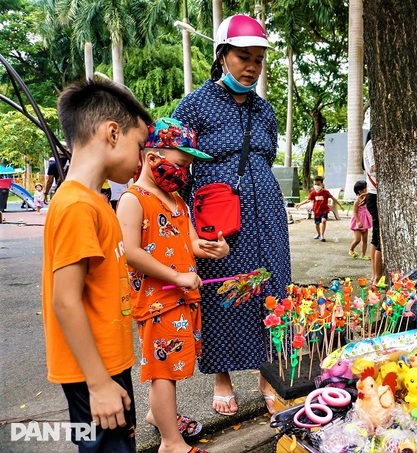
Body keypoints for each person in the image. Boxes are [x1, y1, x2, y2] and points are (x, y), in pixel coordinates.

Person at [172, 14, 291, 416]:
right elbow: (172, 169)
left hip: (268, 218)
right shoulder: (193, 107)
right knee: (223, 291)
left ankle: (267, 374)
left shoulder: (265, 111)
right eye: (244, 57)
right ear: (222, 56)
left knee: (272, 289)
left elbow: (267, 156)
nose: (252, 67)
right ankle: (222, 377)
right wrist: (188, 229)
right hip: (218, 218)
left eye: (258, 59)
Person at [41, 78, 152, 452]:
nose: (141, 161)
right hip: (94, 374)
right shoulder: (76, 206)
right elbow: (65, 301)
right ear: (112, 132)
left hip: (106, 365)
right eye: (140, 146)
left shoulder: (94, 202)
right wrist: (99, 383)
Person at [117, 118, 228, 453]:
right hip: (157, 301)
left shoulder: (177, 202)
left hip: (184, 299)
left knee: (176, 368)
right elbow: (132, 254)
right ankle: (171, 442)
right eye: (181, 165)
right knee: (162, 373)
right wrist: (177, 276)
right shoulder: (133, 199)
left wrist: (212, 247)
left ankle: (158, 414)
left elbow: (189, 242)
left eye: (188, 167)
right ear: (153, 159)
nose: (184, 174)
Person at [295, 175, 342, 242]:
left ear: (322, 184)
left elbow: (333, 198)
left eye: (318, 184)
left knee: (324, 221)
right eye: (315, 184)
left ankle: (322, 235)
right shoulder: (313, 193)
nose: (316, 186)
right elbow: (308, 200)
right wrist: (300, 204)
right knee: (317, 224)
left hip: (324, 210)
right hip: (316, 210)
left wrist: (340, 205)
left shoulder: (325, 192)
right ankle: (318, 234)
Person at [363, 132, 383, 285]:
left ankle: (375, 275)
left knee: (376, 237)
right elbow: (374, 167)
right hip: (375, 195)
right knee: (378, 238)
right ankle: (377, 277)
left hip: (373, 195)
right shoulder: (371, 146)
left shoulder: (369, 146)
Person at [349, 180, 372, 259]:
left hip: (365, 221)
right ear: (360, 191)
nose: (367, 190)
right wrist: (358, 222)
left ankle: (363, 254)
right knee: (358, 239)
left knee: (365, 240)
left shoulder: (367, 198)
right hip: (357, 222)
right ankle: (351, 249)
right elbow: (354, 212)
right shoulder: (357, 201)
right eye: (366, 188)